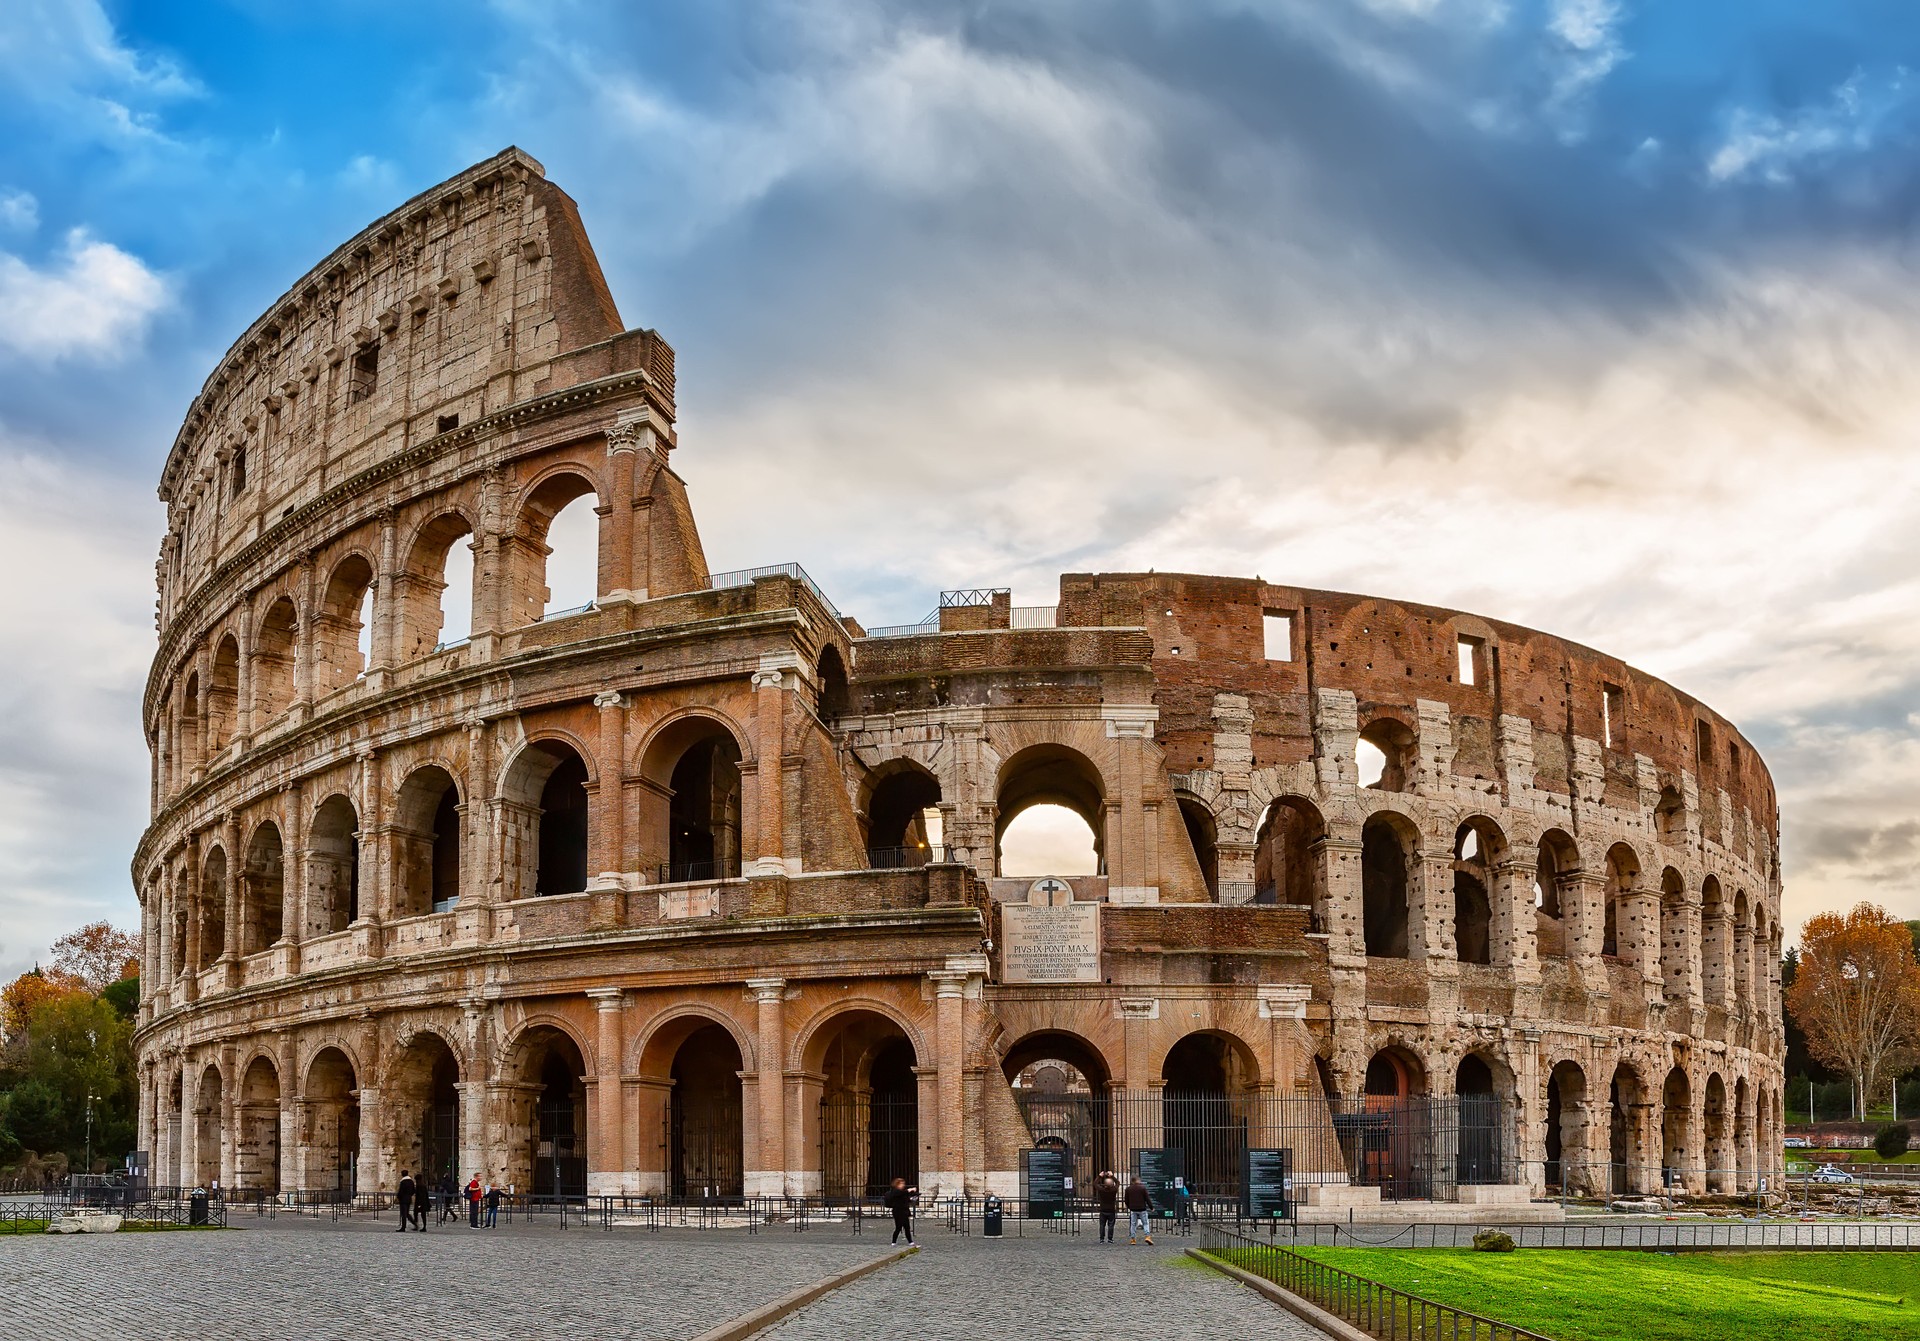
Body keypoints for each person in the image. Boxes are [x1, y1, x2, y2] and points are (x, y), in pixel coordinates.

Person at [882, 1175, 917, 1244]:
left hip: (904, 1211)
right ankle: (893, 1242)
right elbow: (899, 1194)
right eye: (901, 1184)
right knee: (898, 1227)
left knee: (907, 1227)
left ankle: (910, 1242)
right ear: (897, 1184)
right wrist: (909, 1190)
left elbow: (905, 1199)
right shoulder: (895, 1191)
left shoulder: (902, 1192)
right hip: (898, 1212)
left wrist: (911, 1199)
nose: (903, 1185)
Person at [1093, 1169, 1121, 1243]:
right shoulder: (1113, 1190)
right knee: (1111, 1225)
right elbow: (1118, 1183)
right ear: (1112, 1184)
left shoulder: (1102, 1190)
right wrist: (1112, 1176)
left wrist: (1100, 1176)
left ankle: (1102, 1239)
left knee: (1102, 1225)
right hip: (1111, 1210)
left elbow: (1095, 1184)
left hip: (1103, 1210)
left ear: (1104, 1184)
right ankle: (1110, 1239)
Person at [1124, 1175, 1152, 1245]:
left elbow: (1126, 1200)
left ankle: (1133, 1239)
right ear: (1137, 1180)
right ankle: (1147, 1236)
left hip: (1133, 1209)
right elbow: (1147, 1199)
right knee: (1145, 1223)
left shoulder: (1128, 1189)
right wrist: (1151, 1207)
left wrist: (1129, 1207)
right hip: (1142, 1208)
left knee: (1133, 1224)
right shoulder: (1142, 1188)